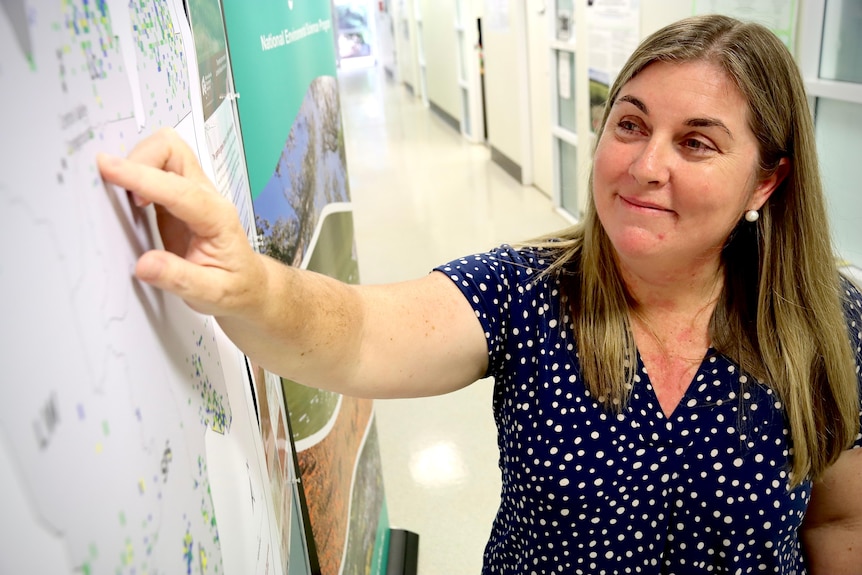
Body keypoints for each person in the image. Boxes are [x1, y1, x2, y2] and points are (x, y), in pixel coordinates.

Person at [97, 14, 862, 575]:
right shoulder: (526, 291)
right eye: (629, 124)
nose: (645, 165)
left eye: (697, 141)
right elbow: (363, 331)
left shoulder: (834, 325)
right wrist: (251, 285)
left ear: (767, 178)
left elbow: (839, 519)